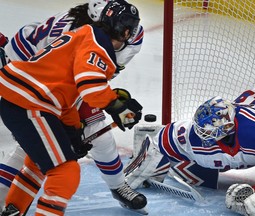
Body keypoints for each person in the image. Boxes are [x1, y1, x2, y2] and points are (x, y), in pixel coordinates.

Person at [0, 0, 147, 215]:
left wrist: (73, 130)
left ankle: (117, 186)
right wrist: (115, 105)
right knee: (57, 165)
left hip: (43, 93)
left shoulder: (88, 32)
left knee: (68, 146)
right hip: (32, 92)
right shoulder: (93, 40)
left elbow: (69, 92)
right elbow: (88, 86)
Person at [125, 86, 255, 216]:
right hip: (252, 100)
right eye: (201, 128)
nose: (201, 134)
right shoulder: (193, 133)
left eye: (210, 131)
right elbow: (162, 140)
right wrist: (141, 166)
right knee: (204, 168)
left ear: (229, 127)